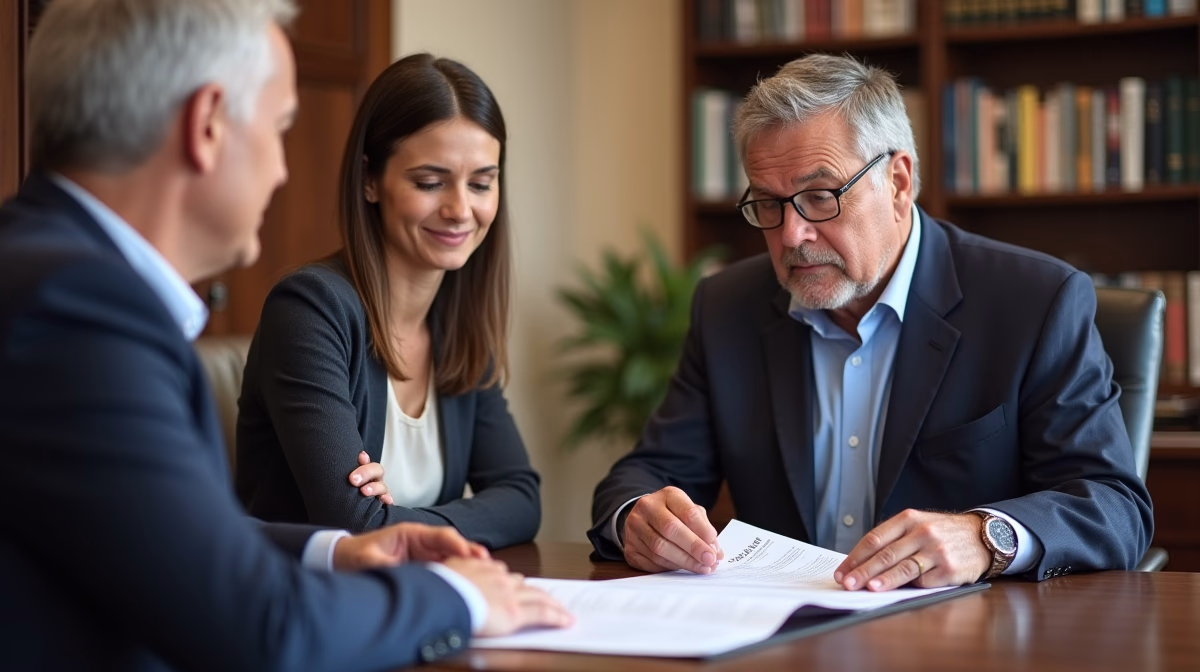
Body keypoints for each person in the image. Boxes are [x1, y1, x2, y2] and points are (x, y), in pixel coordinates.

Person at [0, 1, 569, 669]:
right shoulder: (78, 310)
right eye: (279, 128)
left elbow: (180, 541)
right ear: (208, 124)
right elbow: (258, 622)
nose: (281, 170)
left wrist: (332, 547)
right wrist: (455, 597)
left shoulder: (57, 280)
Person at [588, 53, 1153, 591]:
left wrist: (987, 536)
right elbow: (647, 473)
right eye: (768, 203)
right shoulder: (726, 307)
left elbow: (1112, 506)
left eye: (819, 196)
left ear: (899, 183)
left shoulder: (1033, 301)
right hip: (782, 638)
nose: (791, 236)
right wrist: (638, 517)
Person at [235, 52, 539, 550]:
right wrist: (406, 521)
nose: (461, 209)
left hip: (411, 604)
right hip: (305, 610)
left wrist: (399, 518)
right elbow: (353, 527)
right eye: (429, 182)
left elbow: (522, 498)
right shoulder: (310, 310)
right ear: (370, 180)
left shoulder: (458, 323)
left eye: (481, 183)